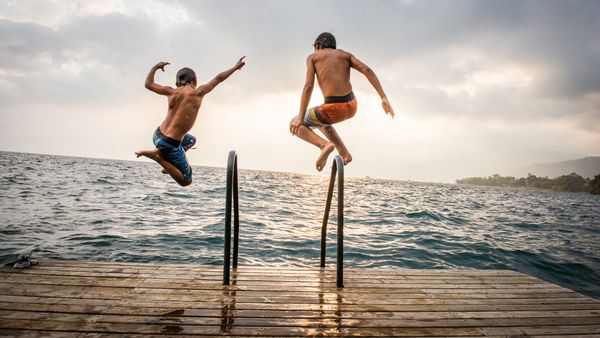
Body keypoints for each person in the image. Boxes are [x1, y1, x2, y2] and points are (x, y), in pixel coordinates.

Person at [289, 32, 394, 171]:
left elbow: (308, 86)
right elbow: (367, 70)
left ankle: (324, 145)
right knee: (321, 122)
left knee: (294, 124)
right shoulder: (345, 55)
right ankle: (345, 154)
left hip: (332, 109)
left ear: (318, 45)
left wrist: (300, 118)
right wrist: (383, 97)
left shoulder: (313, 58)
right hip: (351, 106)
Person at [136, 57, 246, 186]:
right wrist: (235, 68)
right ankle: (158, 157)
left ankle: (169, 164)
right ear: (194, 81)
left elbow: (148, 84)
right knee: (186, 180)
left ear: (178, 83)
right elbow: (218, 78)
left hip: (157, 135)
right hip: (169, 144)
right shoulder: (198, 93)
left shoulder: (171, 91)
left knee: (191, 140)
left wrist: (155, 68)